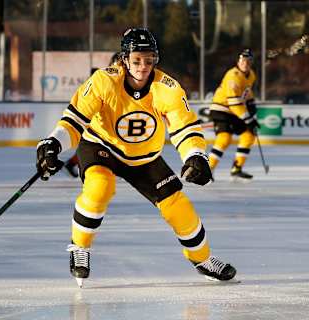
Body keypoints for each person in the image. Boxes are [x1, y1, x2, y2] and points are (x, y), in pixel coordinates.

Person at [36, 27, 236, 287]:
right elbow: (74, 121)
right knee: (100, 188)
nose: (143, 66)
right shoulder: (103, 81)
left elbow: (185, 128)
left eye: (149, 60)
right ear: (124, 59)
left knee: (179, 208)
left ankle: (203, 259)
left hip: (145, 157)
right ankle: (80, 247)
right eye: (137, 59)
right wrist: (53, 142)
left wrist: (196, 155)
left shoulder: (168, 88)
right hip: (102, 147)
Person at [63, 52, 123, 178]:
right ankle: (74, 164)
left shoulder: (111, 79)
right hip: (95, 123)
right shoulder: (104, 80)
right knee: (95, 147)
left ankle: (73, 163)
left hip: (99, 124)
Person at [208, 49, 259, 181]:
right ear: (238, 61)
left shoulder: (251, 75)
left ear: (251, 62)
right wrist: (249, 119)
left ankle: (237, 168)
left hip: (234, 111)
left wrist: (251, 102)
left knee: (249, 135)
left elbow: (246, 92)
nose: (245, 63)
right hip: (221, 109)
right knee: (224, 138)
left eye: (248, 61)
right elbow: (234, 102)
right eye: (243, 60)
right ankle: (208, 170)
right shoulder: (233, 76)